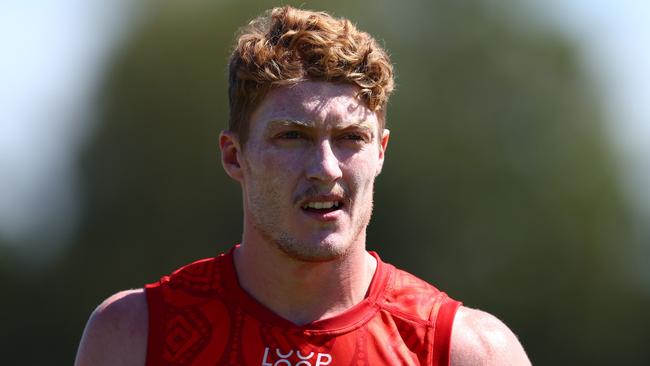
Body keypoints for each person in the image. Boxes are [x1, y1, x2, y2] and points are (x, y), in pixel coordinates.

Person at [75, 6, 530, 366]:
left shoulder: (466, 352)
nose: (326, 168)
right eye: (293, 136)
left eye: (352, 138)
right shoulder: (134, 336)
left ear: (381, 152)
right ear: (235, 155)